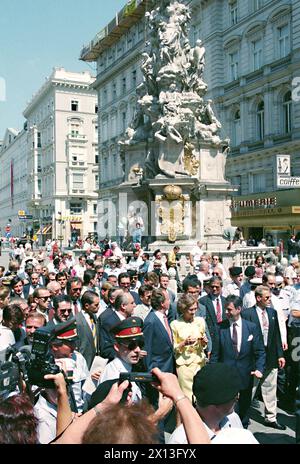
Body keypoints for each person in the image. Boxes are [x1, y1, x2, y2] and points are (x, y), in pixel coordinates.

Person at [167, 363, 259, 444]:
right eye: (233, 397)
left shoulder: (233, 418)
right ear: (214, 406)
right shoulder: (181, 439)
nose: (237, 398)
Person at [213, 295, 265, 428]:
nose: (226, 312)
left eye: (229, 310)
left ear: (239, 309)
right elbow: (215, 354)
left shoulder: (251, 327)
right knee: (226, 402)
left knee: (245, 403)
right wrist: (214, 373)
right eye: (225, 309)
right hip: (226, 373)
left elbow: (259, 351)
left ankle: (243, 426)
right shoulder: (220, 328)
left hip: (246, 372)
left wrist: (259, 368)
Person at [241, 285, 286, 430]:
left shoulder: (272, 312)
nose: (269, 300)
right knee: (250, 389)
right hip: (254, 357)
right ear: (258, 298)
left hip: (271, 355)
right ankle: (243, 419)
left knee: (270, 388)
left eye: (270, 297)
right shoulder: (247, 314)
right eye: (267, 298)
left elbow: (276, 335)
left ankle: (271, 417)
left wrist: (280, 355)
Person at [170, 294, 207, 401]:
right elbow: (174, 348)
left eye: (195, 309)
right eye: (191, 309)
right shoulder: (175, 324)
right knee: (187, 396)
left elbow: (204, 344)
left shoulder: (200, 321)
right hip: (184, 365)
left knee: (201, 394)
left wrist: (204, 342)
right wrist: (184, 343)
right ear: (183, 309)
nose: (194, 312)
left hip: (199, 362)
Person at [75, 290, 100, 370]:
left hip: (95, 362)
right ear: (87, 306)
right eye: (96, 305)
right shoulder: (77, 321)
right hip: (84, 364)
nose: (98, 306)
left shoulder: (94, 317)